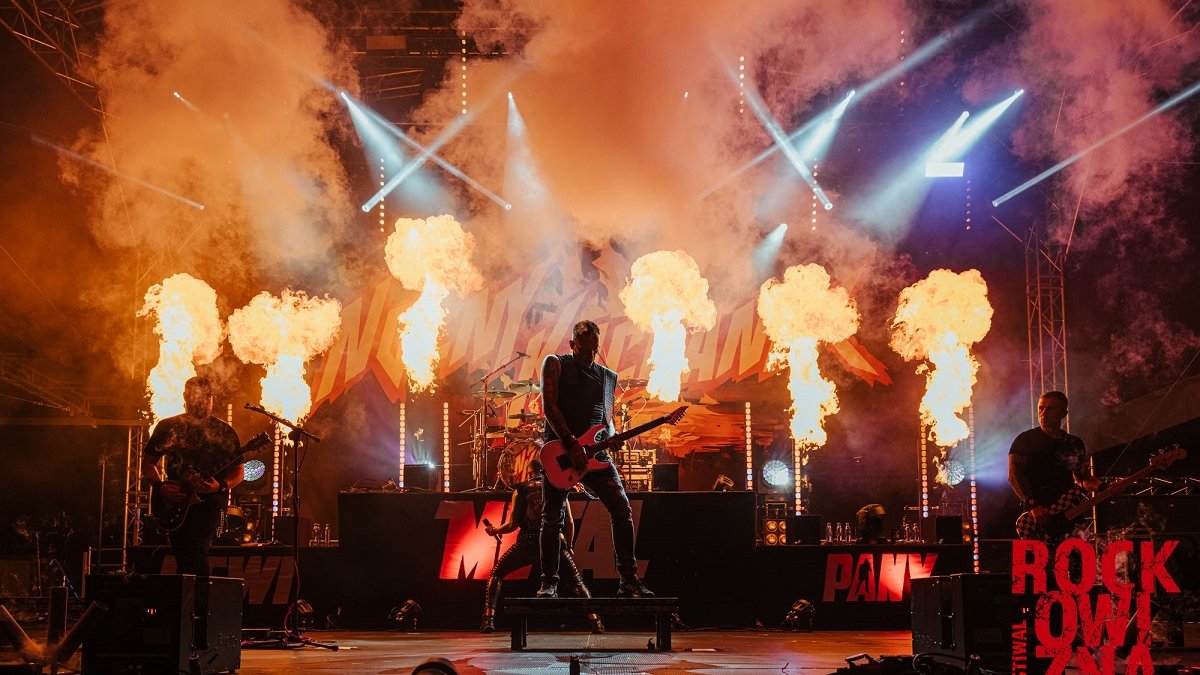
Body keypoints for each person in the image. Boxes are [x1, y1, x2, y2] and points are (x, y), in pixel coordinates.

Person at [538, 320, 653, 599]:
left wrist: (611, 439)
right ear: (572, 345)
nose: (589, 355)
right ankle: (549, 583)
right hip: (561, 453)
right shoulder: (555, 363)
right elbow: (549, 407)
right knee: (552, 518)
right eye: (583, 349)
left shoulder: (607, 377)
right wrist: (571, 443)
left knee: (622, 509)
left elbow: (606, 421)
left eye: (593, 350)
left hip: (594, 455)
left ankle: (628, 580)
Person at [141, 375, 244, 576]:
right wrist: (160, 487)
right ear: (186, 397)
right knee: (182, 554)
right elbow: (147, 464)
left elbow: (239, 471)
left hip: (207, 505)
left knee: (196, 550)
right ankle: (186, 603)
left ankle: (200, 603)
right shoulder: (167, 426)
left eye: (207, 397)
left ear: (212, 398)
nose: (203, 402)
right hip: (174, 503)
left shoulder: (224, 431)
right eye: (197, 397)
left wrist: (220, 486)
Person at [479, 476, 603, 633]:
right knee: (576, 583)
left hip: (528, 542)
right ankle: (595, 621)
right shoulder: (559, 485)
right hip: (554, 541)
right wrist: (569, 545)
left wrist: (495, 530)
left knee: (497, 574)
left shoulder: (522, 489)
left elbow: (512, 524)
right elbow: (570, 522)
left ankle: (488, 620)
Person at [1008, 390, 1100, 533]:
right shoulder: (1025, 440)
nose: (1043, 413)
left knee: (1075, 554)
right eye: (1041, 408)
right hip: (1038, 517)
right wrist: (1033, 505)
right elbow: (1014, 476)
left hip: (1069, 513)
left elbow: (1082, 479)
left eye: (1050, 408)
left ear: (1064, 413)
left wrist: (1104, 488)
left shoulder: (1073, 443)